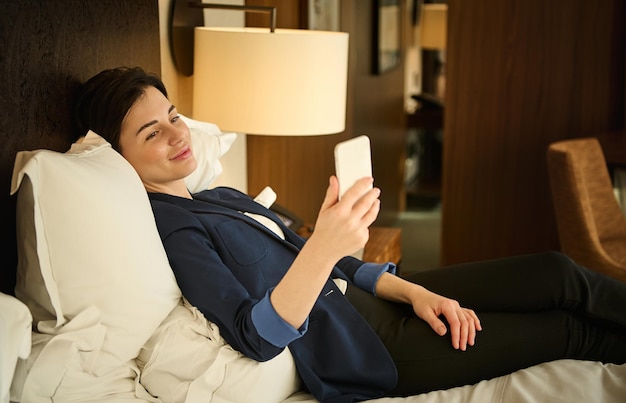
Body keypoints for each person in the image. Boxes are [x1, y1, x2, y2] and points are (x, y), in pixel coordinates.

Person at [73, 66, 626, 403]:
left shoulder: (215, 196)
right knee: (565, 333)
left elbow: (332, 266)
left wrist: (413, 290)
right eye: (152, 131)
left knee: (556, 271)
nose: (178, 134)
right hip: (370, 349)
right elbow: (256, 335)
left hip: (375, 301)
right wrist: (324, 244)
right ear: (121, 159)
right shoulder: (173, 232)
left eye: (173, 115)